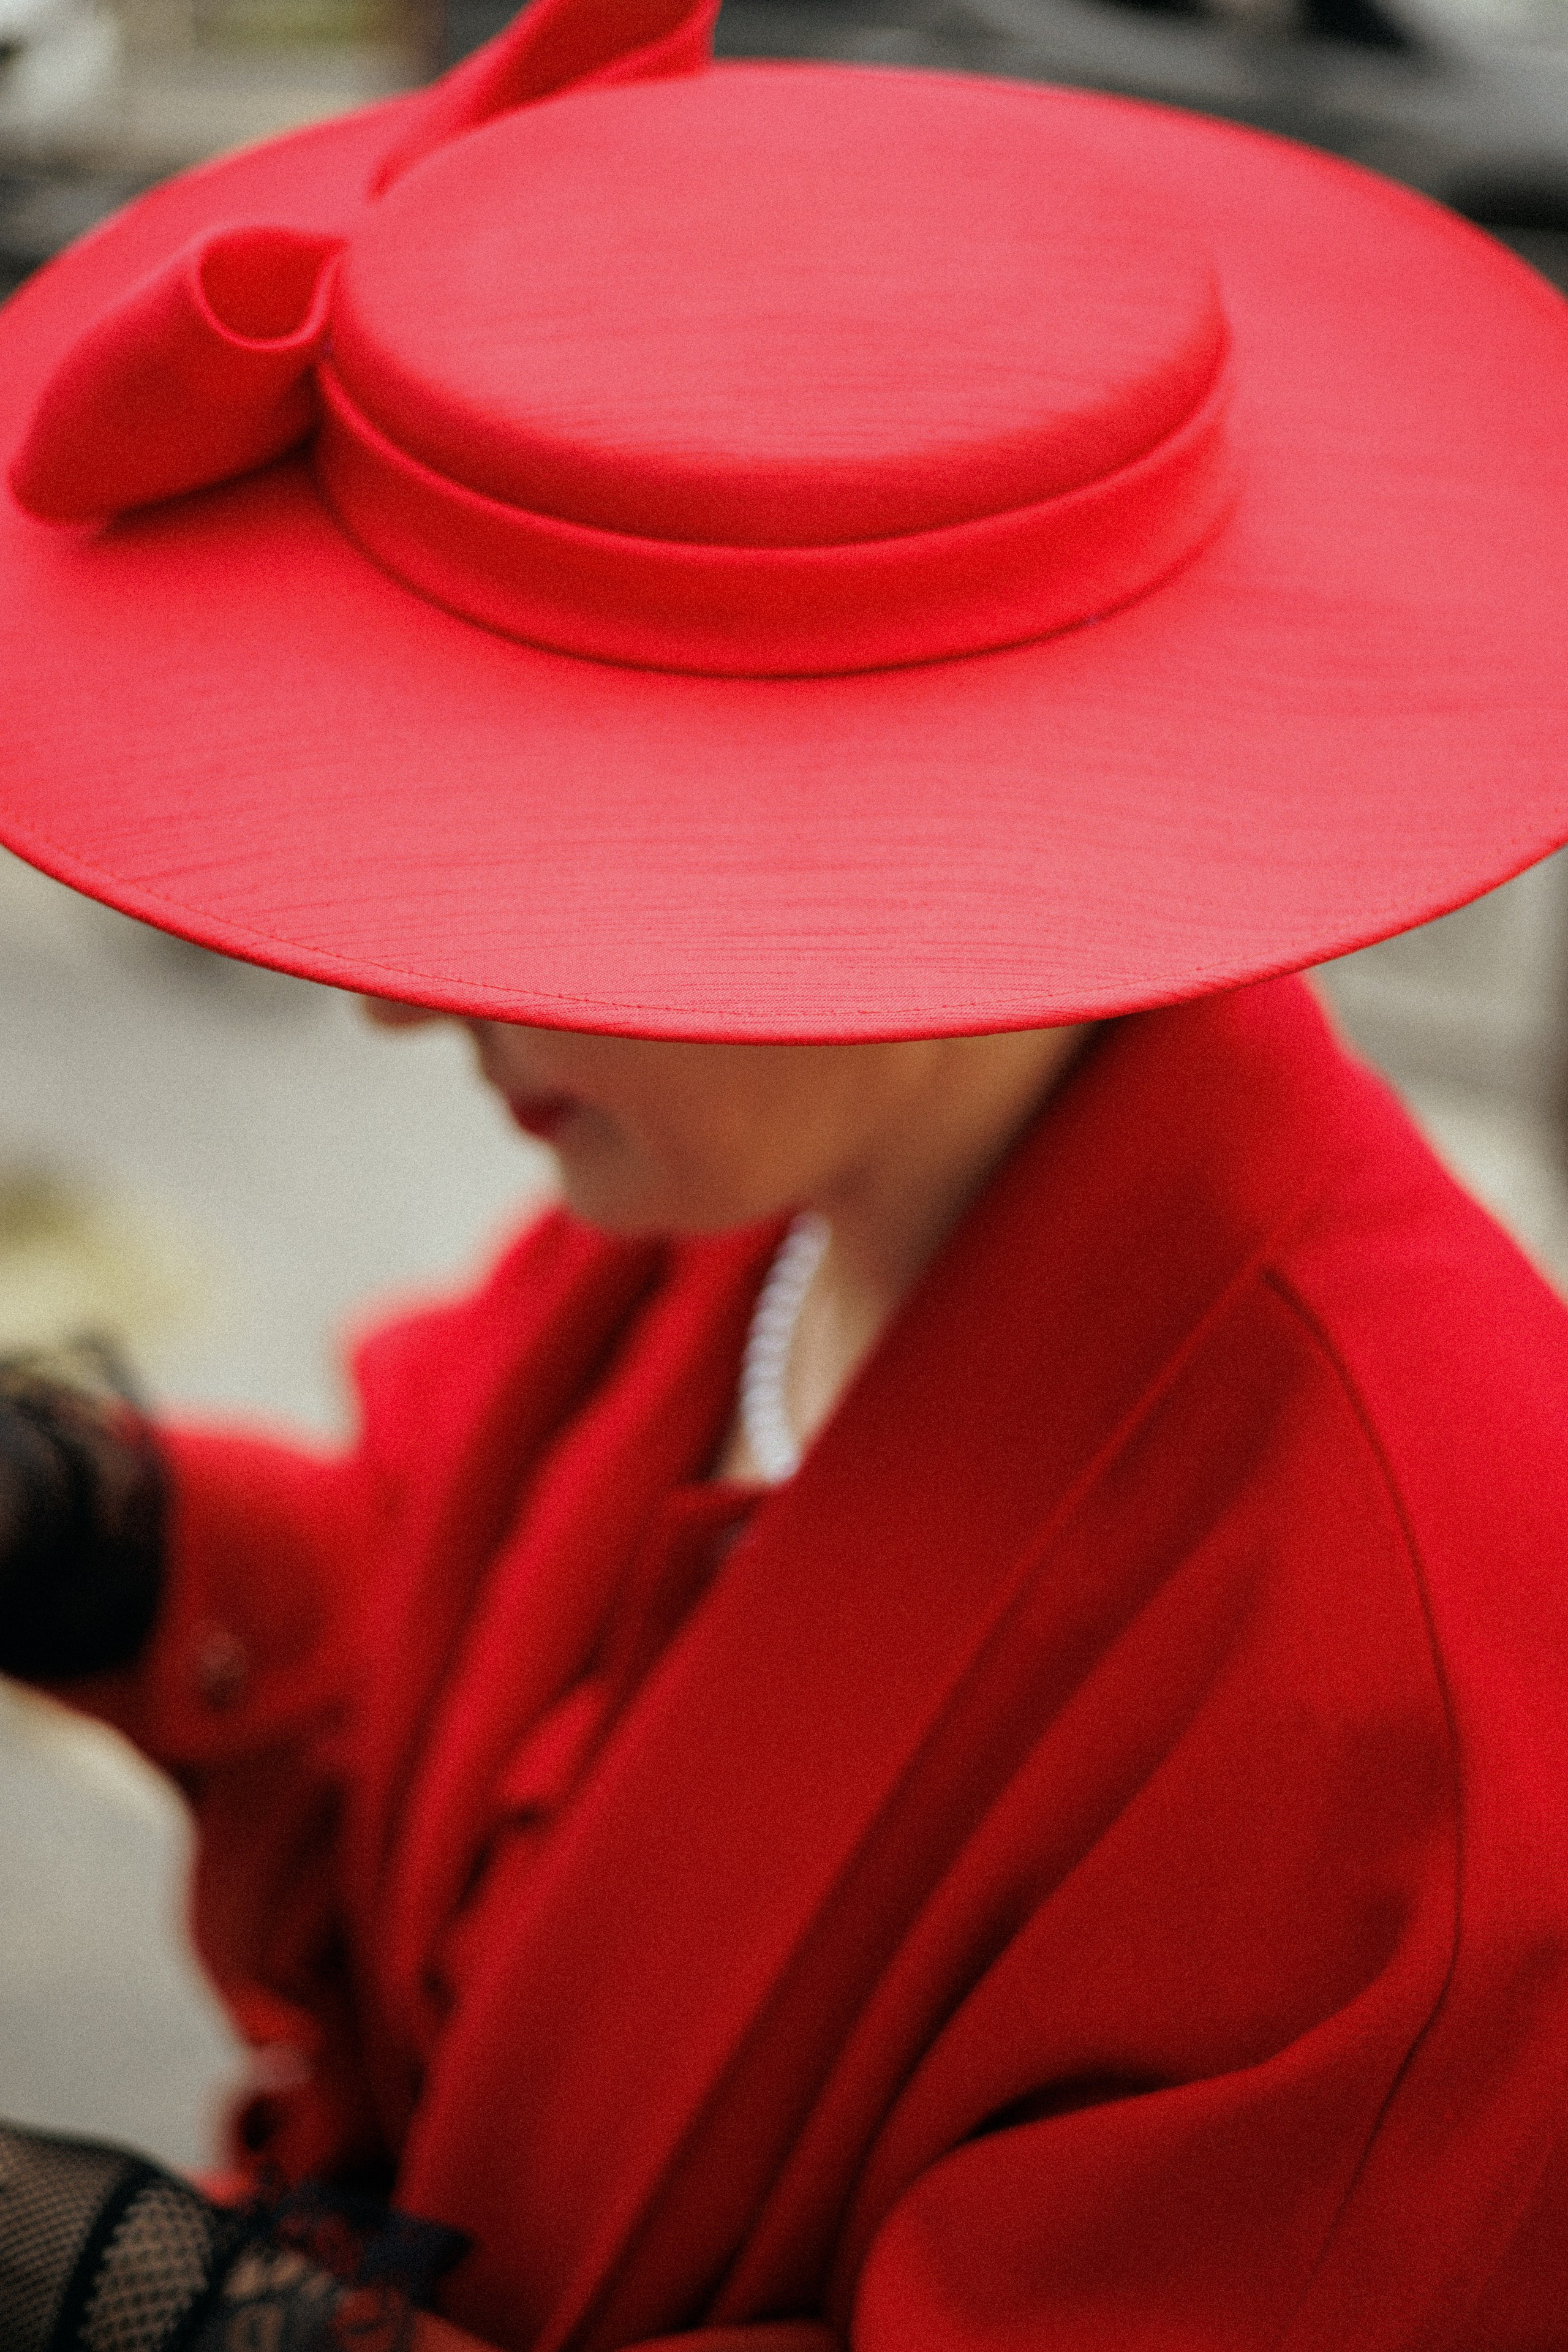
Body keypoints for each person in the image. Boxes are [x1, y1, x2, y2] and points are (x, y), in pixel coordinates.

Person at [2, 0, 1568, 2344]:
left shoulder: (1406, 1680)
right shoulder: (779, 1175)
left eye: (506, 912)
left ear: (860, 850)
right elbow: (477, 1648)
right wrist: (94, 1540)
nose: (393, 1013)